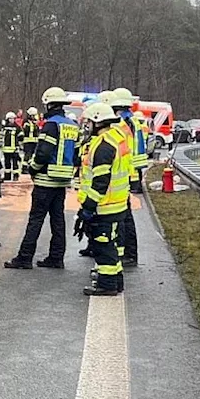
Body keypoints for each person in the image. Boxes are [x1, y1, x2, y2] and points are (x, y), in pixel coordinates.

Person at [5, 87, 80, 270]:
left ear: (49, 104)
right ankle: (56, 257)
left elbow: (43, 153)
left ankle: (24, 258)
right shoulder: (72, 125)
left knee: (36, 219)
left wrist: (33, 168)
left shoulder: (51, 125)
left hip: (46, 179)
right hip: (63, 180)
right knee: (58, 220)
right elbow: (76, 154)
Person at [74, 103, 132, 296]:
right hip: (118, 203)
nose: (87, 125)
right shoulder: (117, 137)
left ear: (97, 121)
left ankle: (107, 285)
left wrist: (88, 208)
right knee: (112, 244)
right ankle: (116, 281)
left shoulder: (102, 145)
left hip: (105, 206)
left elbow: (100, 181)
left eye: (89, 122)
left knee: (103, 245)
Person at [108, 88, 146, 267]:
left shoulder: (123, 122)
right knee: (126, 216)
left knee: (123, 217)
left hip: (124, 172)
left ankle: (127, 254)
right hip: (132, 171)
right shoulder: (133, 120)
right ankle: (129, 253)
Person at [0, 112, 21, 182]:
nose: (12, 120)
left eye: (13, 118)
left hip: (14, 149)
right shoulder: (5, 127)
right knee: (7, 164)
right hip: (6, 149)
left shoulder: (17, 127)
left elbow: (21, 136)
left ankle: (16, 176)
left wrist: (18, 146)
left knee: (15, 164)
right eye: (10, 118)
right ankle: (7, 176)